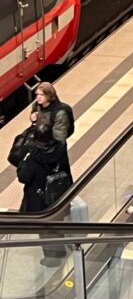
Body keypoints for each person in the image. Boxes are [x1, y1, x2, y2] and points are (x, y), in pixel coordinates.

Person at [12, 119, 71, 263]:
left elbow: (24, 177)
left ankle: (51, 258)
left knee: (44, 229)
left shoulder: (33, 158)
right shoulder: (61, 149)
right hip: (58, 193)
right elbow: (66, 169)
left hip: (39, 199)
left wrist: (23, 163)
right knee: (57, 223)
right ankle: (60, 250)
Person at [31, 82, 75, 151]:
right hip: (39, 144)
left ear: (49, 95)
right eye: (37, 94)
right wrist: (32, 118)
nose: (38, 97)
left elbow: (59, 137)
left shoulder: (60, 113)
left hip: (52, 148)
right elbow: (35, 118)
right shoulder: (37, 106)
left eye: (42, 95)